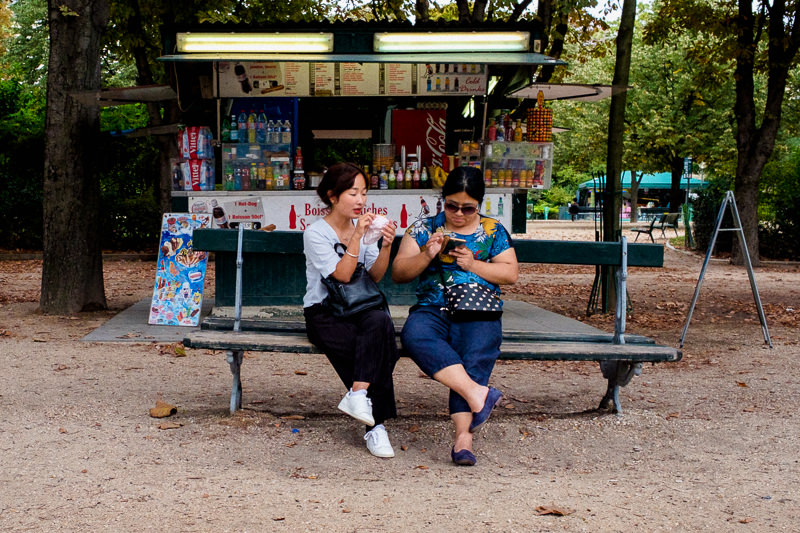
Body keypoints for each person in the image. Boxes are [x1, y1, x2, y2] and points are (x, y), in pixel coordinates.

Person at [391, 166, 519, 466]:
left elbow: (510, 273)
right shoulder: (424, 229)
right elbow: (399, 273)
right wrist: (427, 254)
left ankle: (464, 437)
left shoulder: (492, 230)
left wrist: (473, 265)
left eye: (468, 208)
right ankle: (478, 394)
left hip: (478, 307)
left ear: (479, 204)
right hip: (433, 306)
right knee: (415, 336)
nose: (458, 214)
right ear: (443, 200)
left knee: (475, 352)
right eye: (451, 206)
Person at [303, 162, 399, 458]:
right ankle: (377, 427)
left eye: (364, 193)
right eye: (353, 193)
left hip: (358, 307)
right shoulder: (316, 233)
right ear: (333, 196)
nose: (361, 200)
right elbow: (342, 276)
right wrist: (357, 236)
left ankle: (358, 394)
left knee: (380, 322)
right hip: (323, 311)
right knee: (377, 348)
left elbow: (374, 277)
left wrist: (385, 246)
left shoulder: (365, 229)